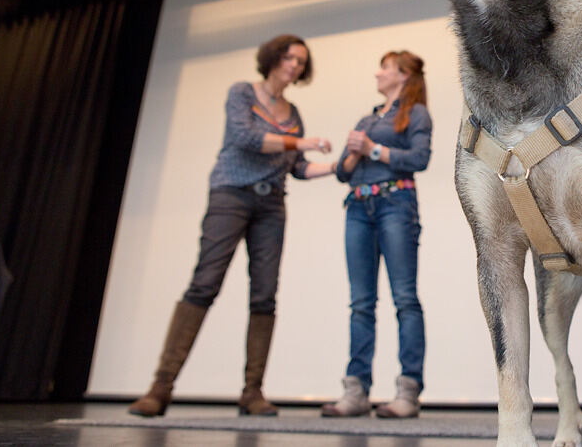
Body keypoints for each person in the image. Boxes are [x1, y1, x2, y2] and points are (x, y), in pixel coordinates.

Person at [129, 34, 336, 417]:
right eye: (290, 57)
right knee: (204, 283)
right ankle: (160, 387)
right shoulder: (242, 93)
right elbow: (248, 138)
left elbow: (299, 169)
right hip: (230, 196)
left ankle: (252, 392)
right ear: (273, 58)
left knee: (264, 295)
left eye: (301, 62)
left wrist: (338, 167)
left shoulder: (294, 113)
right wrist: (302, 143)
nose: (294, 65)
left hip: (271, 204)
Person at [321, 50, 432, 419]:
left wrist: (374, 149)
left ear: (403, 76)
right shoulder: (367, 118)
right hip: (358, 207)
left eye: (385, 68)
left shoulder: (415, 114)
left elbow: (419, 159)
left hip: (395, 204)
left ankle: (408, 391)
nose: (378, 73)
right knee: (360, 303)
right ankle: (355, 391)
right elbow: (341, 171)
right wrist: (353, 155)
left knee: (404, 298)